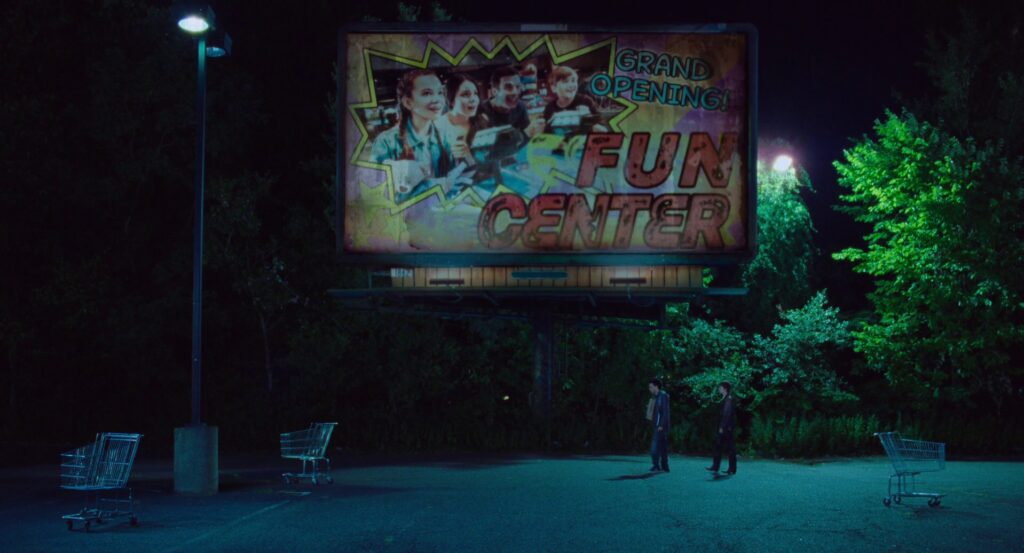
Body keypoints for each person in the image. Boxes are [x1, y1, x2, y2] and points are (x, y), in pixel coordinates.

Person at [369, 69, 464, 200]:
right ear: (408, 102)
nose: (437, 99)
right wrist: (436, 185)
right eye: (426, 93)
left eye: (440, 93)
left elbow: (456, 183)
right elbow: (375, 194)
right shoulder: (386, 142)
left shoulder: (446, 136)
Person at [436, 74, 490, 168]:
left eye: (475, 93)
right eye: (465, 95)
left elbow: (485, 160)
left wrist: (468, 156)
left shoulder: (482, 120)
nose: (473, 99)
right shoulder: (438, 126)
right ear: (451, 99)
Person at [480, 65, 544, 138]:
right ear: (494, 91)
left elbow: (526, 136)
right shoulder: (481, 111)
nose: (515, 92)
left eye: (517, 86)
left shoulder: (520, 107)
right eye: (508, 87)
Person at [542, 65, 601, 133]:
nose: (571, 85)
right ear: (554, 88)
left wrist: (588, 118)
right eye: (565, 82)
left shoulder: (586, 101)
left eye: (573, 81)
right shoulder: (549, 108)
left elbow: (603, 130)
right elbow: (547, 136)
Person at [706, 382, 737, 475]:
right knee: (719, 446)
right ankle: (716, 466)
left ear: (725, 388)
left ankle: (731, 468)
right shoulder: (726, 398)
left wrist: (722, 427)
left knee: (729, 448)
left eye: (720, 387)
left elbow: (726, 414)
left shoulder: (728, 399)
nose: (719, 389)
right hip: (726, 427)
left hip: (727, 428)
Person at [648, 378, 670, 472]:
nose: (649, 389)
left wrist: (661, 425)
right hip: (657, 425)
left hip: (661, 426)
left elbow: (665, 412)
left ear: (656, 387)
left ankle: (656, 466)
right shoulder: (655, 397)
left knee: (654, 447)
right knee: (662, 447)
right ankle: (665, 466)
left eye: (651, 387)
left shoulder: (663, 396)